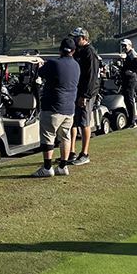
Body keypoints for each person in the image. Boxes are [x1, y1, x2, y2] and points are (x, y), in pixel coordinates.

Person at [31, 38, 80, 177]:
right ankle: (62, 166)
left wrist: (40, 65)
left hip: (53, 107)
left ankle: (47, 168)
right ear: (74, 51)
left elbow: (40, 73)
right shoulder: (76, 65)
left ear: (60, 50)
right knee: (65, 137)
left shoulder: (53, 63)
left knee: (48, 137)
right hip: (69, 108)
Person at [68, 27, 100, 166]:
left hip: (87, 92)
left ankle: (84, 153)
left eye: (77, 37)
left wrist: (85, 95)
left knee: (84, 122)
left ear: (84, 38)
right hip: (76, 91)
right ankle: (71, 152)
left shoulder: (89, 53)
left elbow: (91, 77)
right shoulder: (77, 52)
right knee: (73, 122)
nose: (74, 40)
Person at [119, 39, 137, 128]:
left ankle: (132, 122)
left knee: (129, 100)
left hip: (130, 80)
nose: (124, 47)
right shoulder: (128, 54)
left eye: (125, 46)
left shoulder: (132, 54)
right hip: (127, 80)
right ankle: (130, 121)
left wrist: (131, 71)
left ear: (130, 45)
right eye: (122, 46)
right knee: (127, 100)